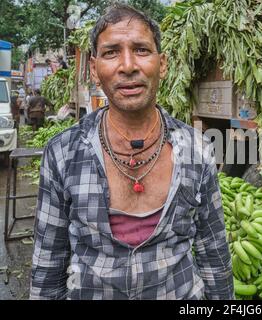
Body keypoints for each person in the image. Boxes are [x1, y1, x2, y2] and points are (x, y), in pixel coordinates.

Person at [30, 4, 234, 300]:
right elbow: (48, 266)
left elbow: (214, 255)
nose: (128, 66)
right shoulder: (62, 153)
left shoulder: (197, 150)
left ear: (162, 64)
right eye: (112, 52)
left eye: (141, 50)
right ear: (95, 68)